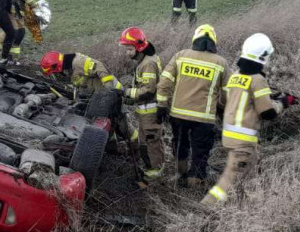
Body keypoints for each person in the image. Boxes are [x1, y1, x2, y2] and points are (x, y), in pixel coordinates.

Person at [201, 33, 297, 205]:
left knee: (245, 177)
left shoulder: (236, 76)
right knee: (232, 181)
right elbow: (268, 113)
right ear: (263, 57)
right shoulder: (257, 79)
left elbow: (233, 101)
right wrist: (283, 102)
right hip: (243, 141)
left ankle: (242, 208)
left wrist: (269, 97)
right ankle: (207, 208)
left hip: (231, 137)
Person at [156, 24, 227, 188]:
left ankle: (180, 176)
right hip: (204, 118)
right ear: (213, 42)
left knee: (180, 146)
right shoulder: (221, 63)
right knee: (200, 151)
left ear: (195, 38)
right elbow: (227, 92)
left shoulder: (181, 56)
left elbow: (164, 82)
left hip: (178, 115)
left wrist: (161, 105)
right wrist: (222, 110)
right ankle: (195, 185)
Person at [119, 26, 165, 179]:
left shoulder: (147, 64)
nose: (127, 53)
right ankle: (151, 166)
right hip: (146, 110)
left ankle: (155, 171)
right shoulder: (145, 59)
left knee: (151, 140)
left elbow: (148, 89)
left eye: (129, 49)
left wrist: (128, 93)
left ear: (139, 47)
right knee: (146, 139)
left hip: (150, 111)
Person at [39, 50, 122, 94]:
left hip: (115, 90)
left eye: (54, 73)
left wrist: (108, 91)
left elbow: (100, 67)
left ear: (58, 68)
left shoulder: (78, 62)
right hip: (99, 93)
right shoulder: (69, 69)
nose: (55, 75)